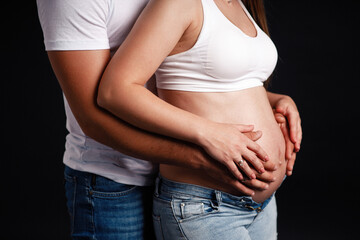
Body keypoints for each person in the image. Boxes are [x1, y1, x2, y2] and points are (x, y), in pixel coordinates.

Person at [36, 0, 301, 239]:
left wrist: (271, 101)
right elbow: (95, 114)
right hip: (116, 179)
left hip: (215, 188)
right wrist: (205, 147)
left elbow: (202, 67)